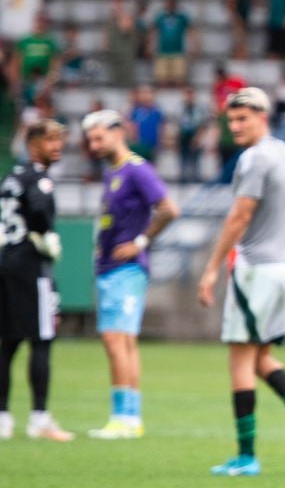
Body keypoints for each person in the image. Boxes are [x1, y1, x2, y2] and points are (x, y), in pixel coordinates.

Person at [197, 88, 285, 476]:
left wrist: (212, 267)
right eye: (231, 120)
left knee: (240, 359)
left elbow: (240, 216)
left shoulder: (253, 159)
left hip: (257, 269)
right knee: (261, 356)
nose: (235, 127)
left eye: (243, 119)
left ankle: (246, 456)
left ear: (262, 116)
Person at [83, 110, 179, 440]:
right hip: (110, 268)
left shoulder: (137, 170)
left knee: (115, 339)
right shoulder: (113, 172)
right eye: (90, 139)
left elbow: (169, 208)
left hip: (126, 269)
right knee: (122, 341)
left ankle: (123, 417)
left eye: (99, 137)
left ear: (118, 132)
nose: (93, 145)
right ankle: (129, 416)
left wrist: (140, 241)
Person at [0, 119, 70, 442]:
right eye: (50, 140)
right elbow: (40, 212)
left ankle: (3, 418)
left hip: (6, 261)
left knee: (7, 341)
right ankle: (39, 417)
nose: (57, 146)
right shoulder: (39, 179)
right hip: (31, 266)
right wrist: (45, 237)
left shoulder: (11, 178)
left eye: (59, 140)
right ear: (33, 144)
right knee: (41, 338)